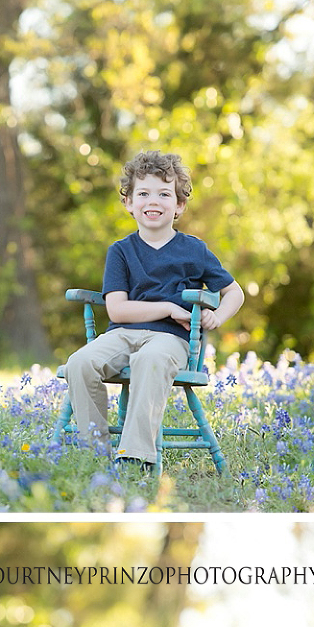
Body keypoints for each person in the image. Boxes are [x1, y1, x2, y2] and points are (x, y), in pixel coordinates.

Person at [64, 149, 245, 467]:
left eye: (164, 194)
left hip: (170, 340)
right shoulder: (120, 252)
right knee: (80, 363)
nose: (153, 201)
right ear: (129, 203)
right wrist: (167, 307)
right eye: (143, 193)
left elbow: (234, 292)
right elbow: (117, 311)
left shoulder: (193, 250)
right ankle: (96, 454)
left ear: (179, 205)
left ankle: (135, 455)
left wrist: (216, 315)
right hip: (121, 333)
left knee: (150, 359)